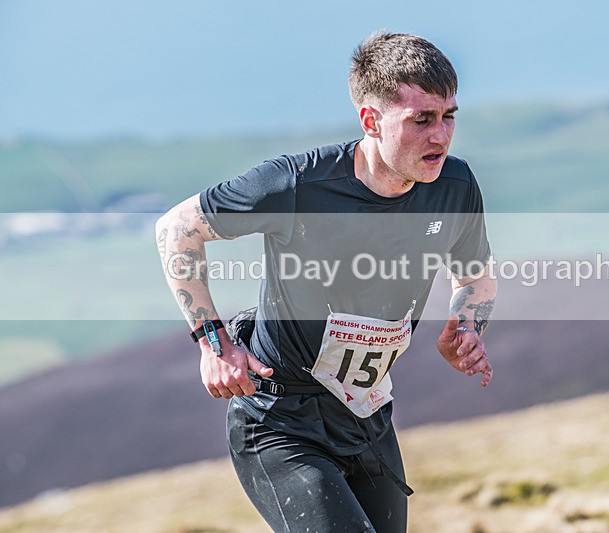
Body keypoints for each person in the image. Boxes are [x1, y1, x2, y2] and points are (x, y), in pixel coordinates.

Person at [155, 31, 496, 533]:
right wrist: (214, 342)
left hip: (367, 417)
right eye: (421, 119)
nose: (441, 136)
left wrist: (467, 327)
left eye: (449, 116)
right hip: (281, 422)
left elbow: (477, 275)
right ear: (371, 120)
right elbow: (176, 229)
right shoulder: (298, 185)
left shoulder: (455, 185)